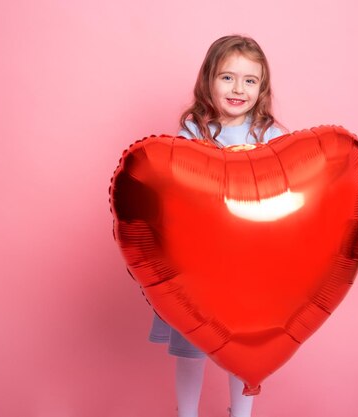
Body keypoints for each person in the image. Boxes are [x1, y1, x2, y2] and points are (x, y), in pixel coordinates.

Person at [148, 35, 285, 417]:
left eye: (250, 80)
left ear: (262, 88)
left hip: (249, 264)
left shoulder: (272, 137)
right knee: (192, 350)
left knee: (245, 351)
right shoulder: (193, 134)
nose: (238, 88)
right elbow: (176, 191)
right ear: (208, 79)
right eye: (227, 77)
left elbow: (288, 190)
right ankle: (186, 414)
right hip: (199, 264)